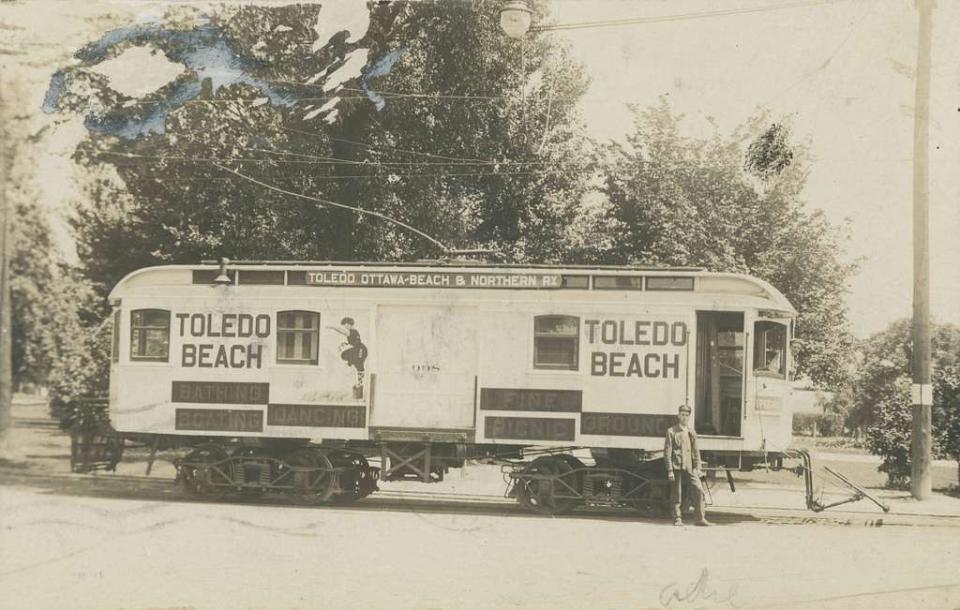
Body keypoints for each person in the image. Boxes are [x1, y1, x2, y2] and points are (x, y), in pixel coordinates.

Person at [664, 404, 711, 527]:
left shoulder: (691, 432)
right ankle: (677, 519)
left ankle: (700, 518)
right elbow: (667, 453)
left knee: (698, 489)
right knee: (677, 494)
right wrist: (670, 470)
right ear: (678, 416)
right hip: (676, 467)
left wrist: (698, 468)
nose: (684, 417)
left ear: (689, 417)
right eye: (682, 415)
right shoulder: (671, 431)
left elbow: (696, 452)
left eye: (686, 415)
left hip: (690, 467)